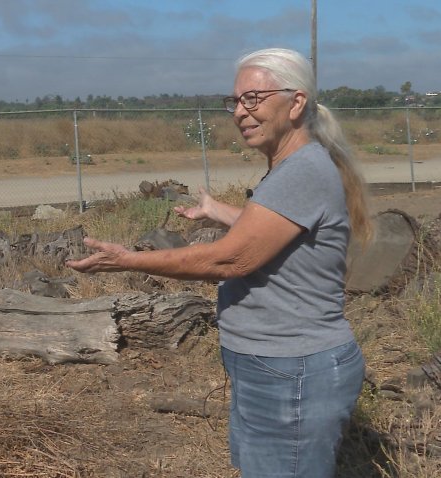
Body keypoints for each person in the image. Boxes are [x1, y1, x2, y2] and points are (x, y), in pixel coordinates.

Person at [65, 47, 371, 478]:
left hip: (292, 370)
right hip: (271, 363)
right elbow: (273, 230)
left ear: (296, 102)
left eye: (253, 99)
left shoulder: (301, 170)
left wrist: (131, 260)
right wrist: (219, 211)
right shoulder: (291, 169)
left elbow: (234, 257)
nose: (240, 112)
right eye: (235, 101)